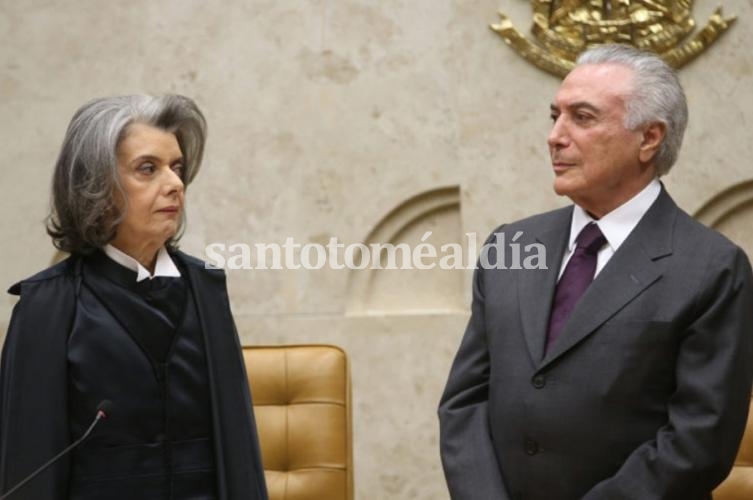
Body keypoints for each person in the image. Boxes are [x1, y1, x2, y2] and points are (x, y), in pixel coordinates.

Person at [438, 44, 753, 500]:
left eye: (582, 117)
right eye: (555, 116)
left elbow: (699, 441)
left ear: (649, 139)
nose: (555, 136)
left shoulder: (713, 268)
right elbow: (464, 402)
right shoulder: (510, 246)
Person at [0, 95, 268, 500]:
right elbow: (30, 469)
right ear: (96, 186)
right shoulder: (48, 306)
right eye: (148, 168)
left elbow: (239, 454)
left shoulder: (206, 290)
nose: (175, 183)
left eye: (177, 167)